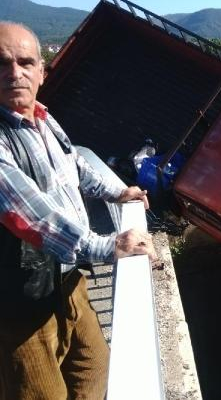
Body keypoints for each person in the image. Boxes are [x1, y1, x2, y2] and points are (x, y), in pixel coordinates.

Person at [0, 22, 157, 399]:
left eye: (25, 62)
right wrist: (106, 246)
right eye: (2, 64)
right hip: (20, 306)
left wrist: (122, 192)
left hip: (67, 283)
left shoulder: (42, 119)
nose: (14, 73)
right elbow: (30, 213)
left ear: (41, 70)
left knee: (95, 369)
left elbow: (77, 166)